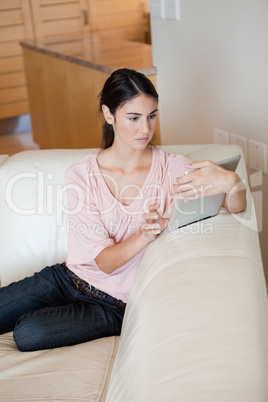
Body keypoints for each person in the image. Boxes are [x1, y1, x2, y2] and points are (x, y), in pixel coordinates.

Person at [0, 68, 247, 352]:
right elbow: (104, 261)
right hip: (66, 278)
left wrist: (232, 181)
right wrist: (146, 233)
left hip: (114, 307)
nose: (146, 129)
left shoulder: (171, 168)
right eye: (134, 118)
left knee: (28, 333)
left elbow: (235, 205)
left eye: (152, 116)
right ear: (109, 115)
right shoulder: (81, 175)